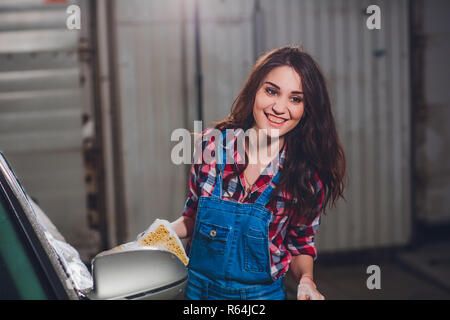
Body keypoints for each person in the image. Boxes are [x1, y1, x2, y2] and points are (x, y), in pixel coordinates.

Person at [171, 46, 346, 300]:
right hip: (198, 294)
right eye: (272, 91)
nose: (279, 107)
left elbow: (299, 245)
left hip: (261, 298)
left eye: (295, 99)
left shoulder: (306, 177)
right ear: (255, 90)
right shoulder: (212, 147)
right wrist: (156, 236)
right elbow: (193, 217)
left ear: (306, 109)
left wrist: (307, 281)